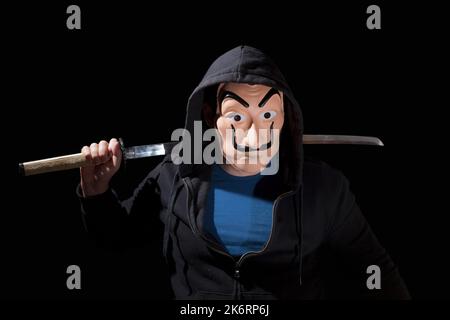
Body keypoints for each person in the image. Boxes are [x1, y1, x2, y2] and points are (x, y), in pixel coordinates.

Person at [78, 46, 410, 299]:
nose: (255, 137)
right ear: (210, 116)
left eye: (269, 116)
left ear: (286, 119)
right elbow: (115, 236)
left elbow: (377, 271)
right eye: (237, 117)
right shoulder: (173, 176)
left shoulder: (326, 188)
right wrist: (96, 192)